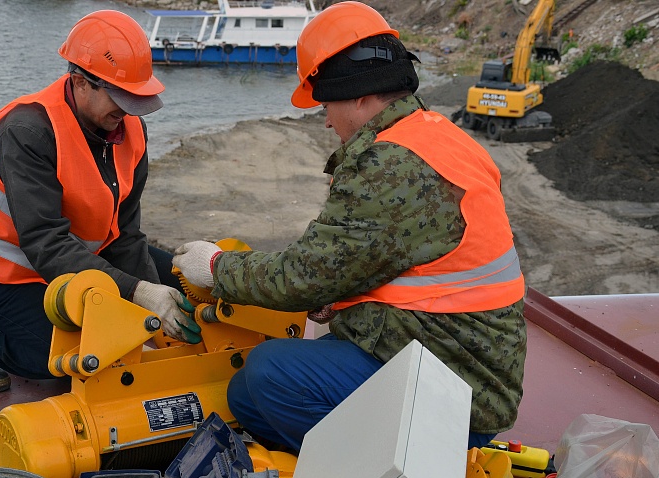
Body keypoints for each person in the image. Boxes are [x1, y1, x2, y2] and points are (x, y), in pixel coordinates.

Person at [172, 1, 527, 451]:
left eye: (326, 104)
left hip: (458, 387)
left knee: (270, 373)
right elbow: (401, 261)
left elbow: (302, 277)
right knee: (246, 398)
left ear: (360, 95)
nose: (325, 119)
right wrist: (342, 298)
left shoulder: (391, 163)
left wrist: (217, 267)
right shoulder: (435, 134)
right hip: (462, 357)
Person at [0, 10, 200, 394]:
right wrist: (139, 295)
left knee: (184, 296)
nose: (128, 110)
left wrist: (149, 304)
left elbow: (127, 233)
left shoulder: (129, 128)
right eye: (119, 97)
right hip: (6, 276)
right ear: (80, 82)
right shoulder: (26, 131)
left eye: (136, 98)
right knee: (81, 360)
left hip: (85, 256)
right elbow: (45, 243)